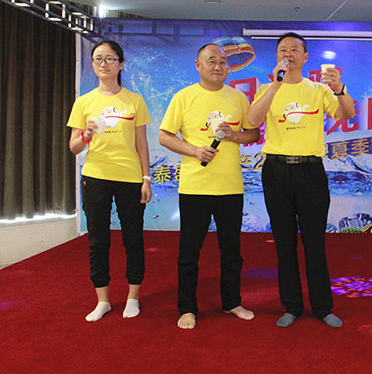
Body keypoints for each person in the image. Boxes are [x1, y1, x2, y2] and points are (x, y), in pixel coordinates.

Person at [247, 32, 355, 328]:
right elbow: (253, 121)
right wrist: (275, 84)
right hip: (276, 171)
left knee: (314, 243)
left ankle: (322, 306)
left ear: (305, 57)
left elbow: (347, 113)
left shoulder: (319, 89)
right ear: (277, 56)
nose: (289, 54)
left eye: (295, 50)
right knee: (284, 243)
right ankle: (292, 305)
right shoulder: (267, 88)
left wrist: (339, 88)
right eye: (283, 49)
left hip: (310, 172)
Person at [159, 43, 260, 330]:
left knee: (232, 252)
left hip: (230, 187)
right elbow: (165, 136)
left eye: (223, 62)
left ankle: (232, 302)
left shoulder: (238, 97)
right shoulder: (184, 97)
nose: (218, 66)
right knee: (189, 253)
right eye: (212, 61)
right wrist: (194, 150)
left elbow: (253, 133)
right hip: (195, 187)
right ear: (198, 65)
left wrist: (234, 135)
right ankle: (187, 308)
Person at [67, 40, 152, 322]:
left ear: (121, 64)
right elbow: (74, 147)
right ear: (93, 64)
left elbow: (141, 143)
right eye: (98, 59)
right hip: (96, 177)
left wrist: (146, 178)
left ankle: (132, 297)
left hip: (130, 178)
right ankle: (102, 300)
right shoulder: (84, 102)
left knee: (133, 239)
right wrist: (86, 135)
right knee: (98, 240)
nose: (103, 64)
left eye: (109, 59)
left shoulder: (134, 100)